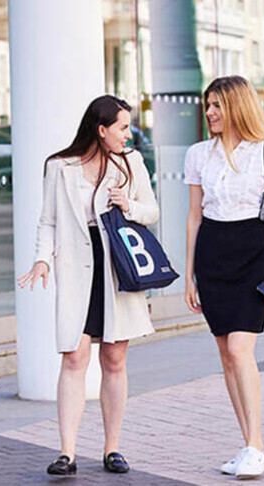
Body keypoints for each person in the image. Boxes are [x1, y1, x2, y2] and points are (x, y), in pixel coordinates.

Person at [17, 95, 158, 478]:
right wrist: (42, 259)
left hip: (117, 267)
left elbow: (152, 211)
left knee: (114, 359)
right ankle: (67, 452)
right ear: (101, 129)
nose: (128, 135)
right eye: (122, 127)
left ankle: (112, 448)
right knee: (74, 356)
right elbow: (48, 220)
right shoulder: (59, 167)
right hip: (77, 268)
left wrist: (128, 204)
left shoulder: (131, 163)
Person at [183, 76, 264, 479]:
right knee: (226, 354)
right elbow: (194, 216)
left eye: (217, 105)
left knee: (239, 348)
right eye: (208, 105)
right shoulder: (198, 154)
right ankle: (248, 443)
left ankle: (256, 446)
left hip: (253, 252)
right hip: (212, 254)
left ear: (237, 106)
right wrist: (188, 277)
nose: (210, 112)